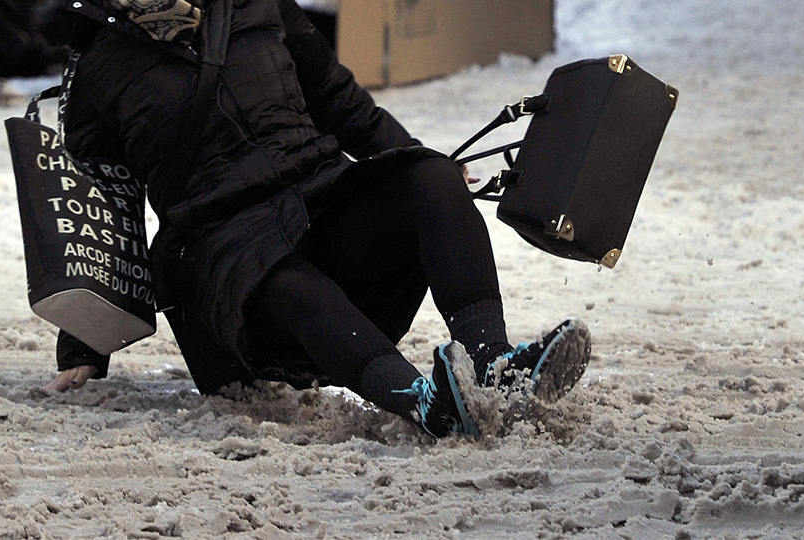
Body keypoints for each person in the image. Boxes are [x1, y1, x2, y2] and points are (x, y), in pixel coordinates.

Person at [37, 0, 591, 438]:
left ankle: (492, 363)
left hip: (317, 193)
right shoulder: (97, 70)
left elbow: (338, 100)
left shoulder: (257, 4)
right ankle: (425, 404)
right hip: (219, 245)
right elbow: (102, 213)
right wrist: (85, 343)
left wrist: (425, 173)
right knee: (285, 279)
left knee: (429, 177)